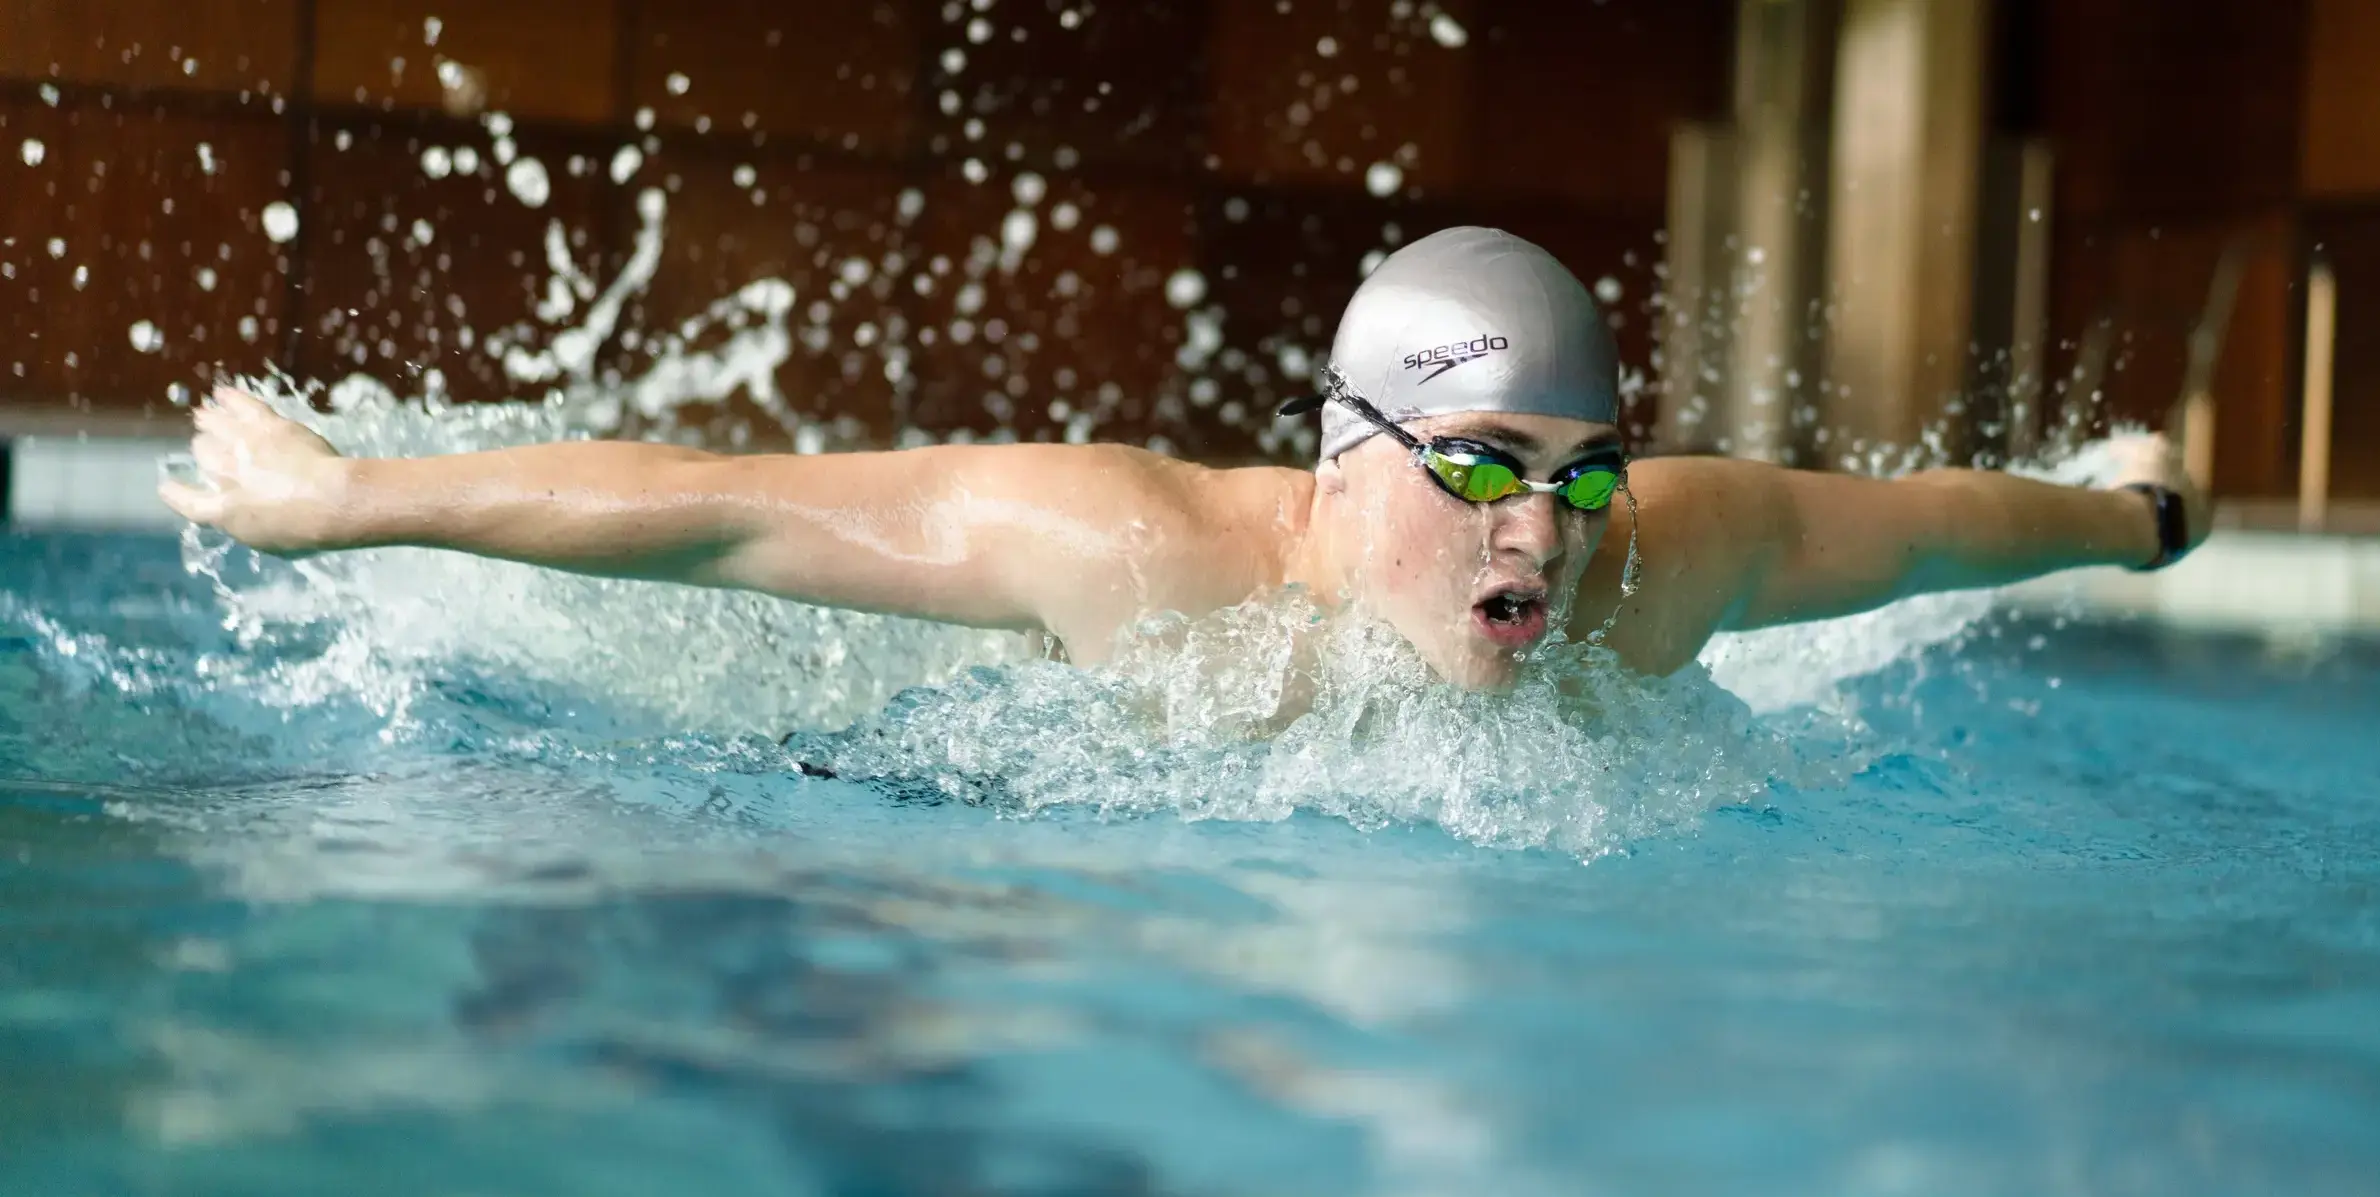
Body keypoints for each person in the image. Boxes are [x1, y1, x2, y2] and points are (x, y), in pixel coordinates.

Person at [161, 227, 2208, 692]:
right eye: (1485, 460)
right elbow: (713, 503)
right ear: (1340, 460)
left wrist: (2129, 522)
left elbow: (1939, 524)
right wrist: (345, 501)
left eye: (1581, 470)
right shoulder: (1140, 558)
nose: (1543, 526)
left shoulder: (1657, 563)